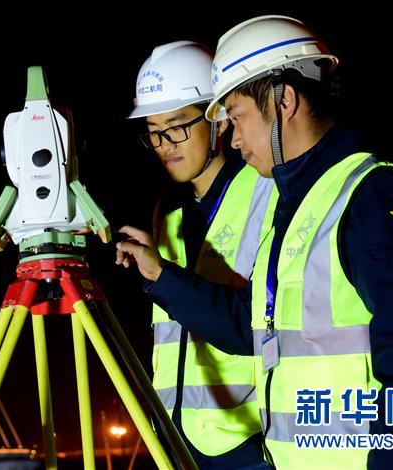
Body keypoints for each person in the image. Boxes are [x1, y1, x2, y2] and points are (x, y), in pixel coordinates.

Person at [117, 16, 393, 468]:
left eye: (237, 117)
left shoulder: (380, 197)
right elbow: (250, 322)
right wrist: (159, 275)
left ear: (284, 101)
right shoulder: (298, 208)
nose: (234, 138)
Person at [124, 41, 273, 468]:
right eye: (153, 131)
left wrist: (164, 277)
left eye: (176, 127)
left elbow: (254, 325)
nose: (164, 145)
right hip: (176, 442)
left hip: (248, 444)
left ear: (220, 120)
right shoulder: (166, 216)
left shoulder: (267, 194)